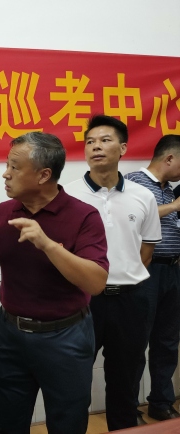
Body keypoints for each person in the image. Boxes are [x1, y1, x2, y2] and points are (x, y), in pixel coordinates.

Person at [0, 131, 109, 434]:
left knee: (67, 423)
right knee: (9, 423)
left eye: (14, 167)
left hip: (65, 338)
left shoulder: (84, 216)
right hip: (10, 335)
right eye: (7, 165)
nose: (5, 173)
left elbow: (96, 282)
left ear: (43, 175)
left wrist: (47, 244)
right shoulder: (6, 211)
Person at [65, 114, 161, 431]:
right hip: (82, 302)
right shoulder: (67, 195)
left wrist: (126, 275)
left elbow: (148, 249)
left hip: (132, 301)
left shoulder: (143, 196)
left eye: (105, 140)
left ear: (122, 148)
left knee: (126, 381)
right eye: (90, 141)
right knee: (74, 379)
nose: (96, 147)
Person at [125, 134, 180, 422]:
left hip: (173, 270)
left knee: (168, 341)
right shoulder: (132, 182)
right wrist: (175, 206)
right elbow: (131, 217)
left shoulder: (170, 190)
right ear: (169, 158)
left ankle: (161, 402)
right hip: (144, 270)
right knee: (135, 342)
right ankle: (127, 409)